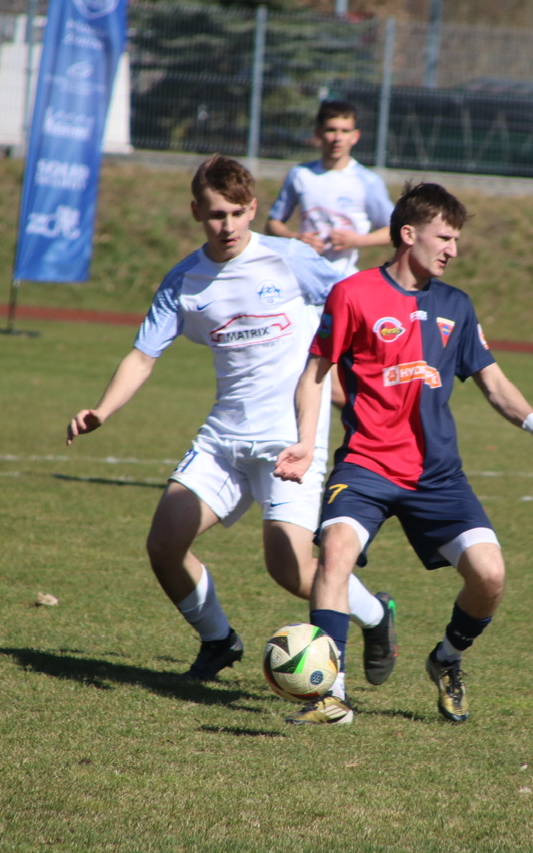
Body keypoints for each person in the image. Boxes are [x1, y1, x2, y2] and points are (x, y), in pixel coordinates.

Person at [66, 155, 397, 688]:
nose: (227, 226)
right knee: (164, 544)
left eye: (238, 213)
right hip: (224, 437)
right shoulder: (185, 280)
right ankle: (218, 640)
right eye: (217, 214)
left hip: (291, 440)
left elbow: (352, 302)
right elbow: (143, 356)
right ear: (196, 211)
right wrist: (102, 409)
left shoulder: (291, 258)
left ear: (253, 209)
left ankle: (377, 617)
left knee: (290, 571)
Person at [274, 182, 533, 726]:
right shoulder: (353, 294)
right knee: (335, 552)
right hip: (366, 464)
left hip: (437, 476)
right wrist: (304, 439)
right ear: (409, 235)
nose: (453, 250)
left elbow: (492, 381)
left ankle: (447, 659)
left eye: (456, 239)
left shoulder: (456, 305)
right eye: (445, 237)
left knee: (490, 576)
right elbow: (315, 373)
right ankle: (331, 695)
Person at [265, 99, 393, 280]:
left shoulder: (368, 181)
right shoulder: (300, 174)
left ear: (355, 136)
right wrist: (296, 239)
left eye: (345, 131)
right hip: (304, 277)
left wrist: (357, 240)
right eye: (331, 130)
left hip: (344, 278)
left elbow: (394, 230)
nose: (337, 138)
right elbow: (272, 223)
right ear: (318, 133)